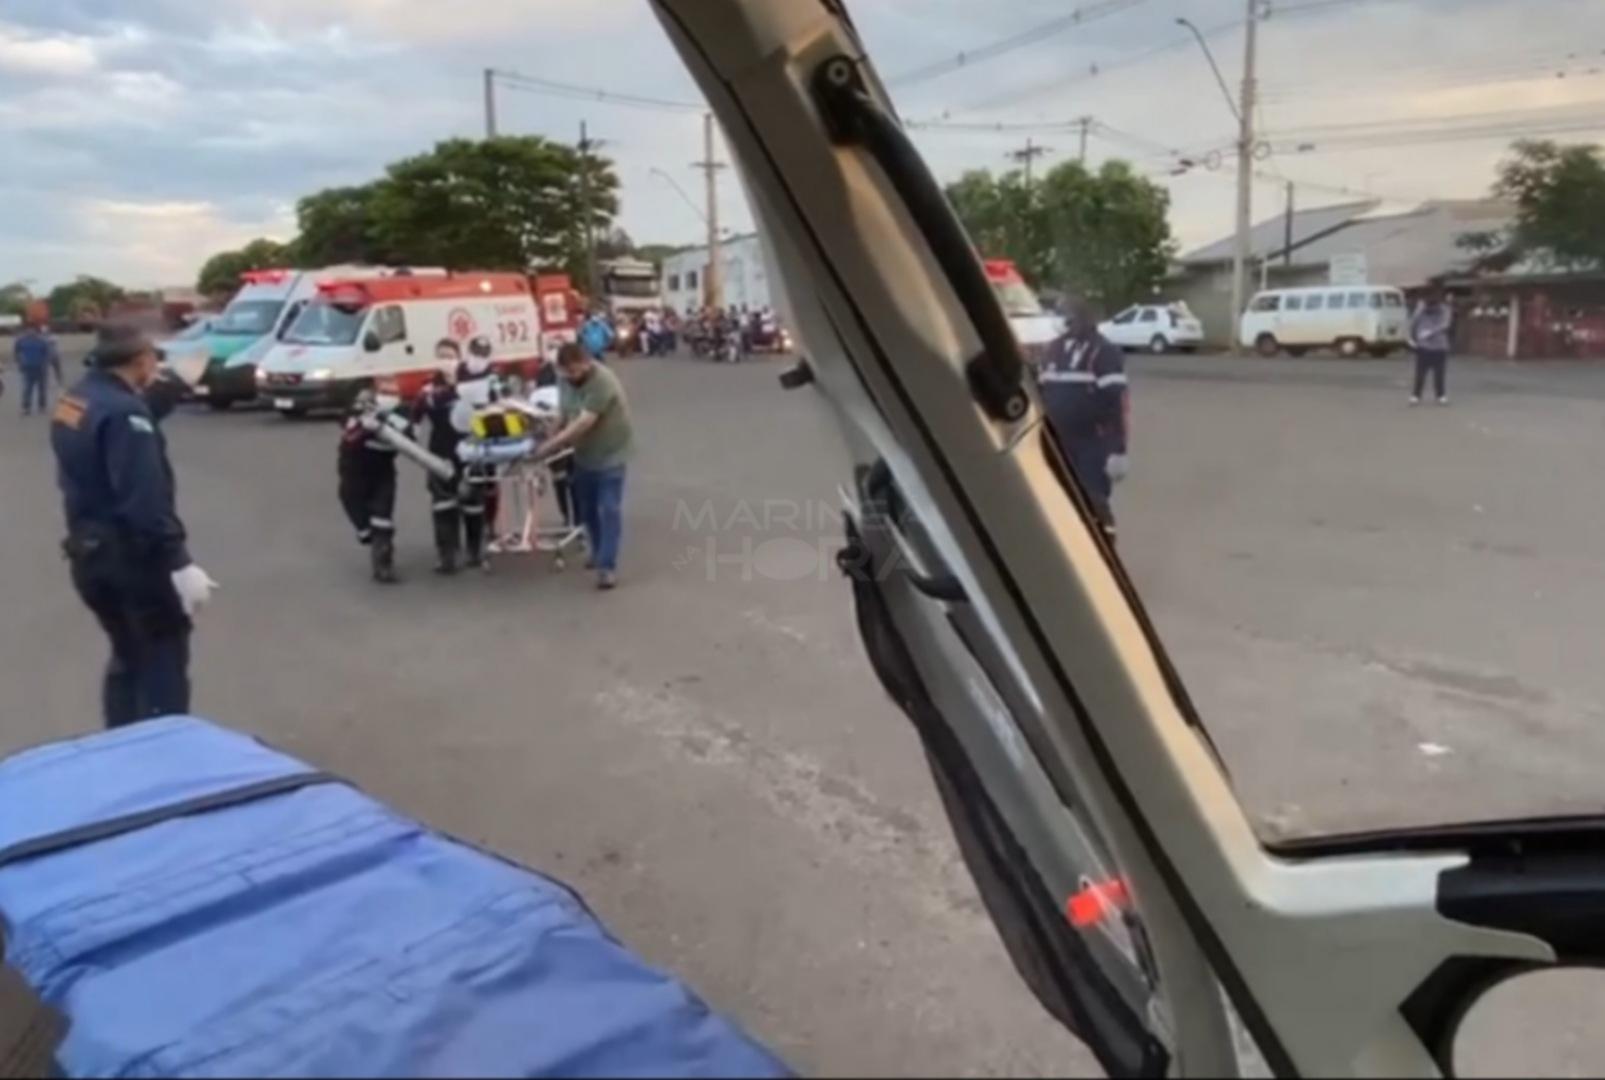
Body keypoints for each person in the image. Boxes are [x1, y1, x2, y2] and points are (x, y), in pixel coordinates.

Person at [51, 323, 217, 728]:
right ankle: (164, 759)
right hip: (132, 560)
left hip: (89, 556)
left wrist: (172, 387)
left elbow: (118, 424)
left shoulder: (76, 400)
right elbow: (143, 500)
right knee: (162, 658)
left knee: (127, 655)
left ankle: (122, 748)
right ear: (142, 360)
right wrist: (179, 562)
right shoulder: (125, 414)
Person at [537, 343, 636, 590]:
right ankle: (598, 550)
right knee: (588, 509)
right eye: (567, 372)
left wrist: (552, 446)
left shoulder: (603, 381)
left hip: (611, 451)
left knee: (608, 509)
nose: (572, 377)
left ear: (586, 363)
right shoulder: (564, 380)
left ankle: (607, 566)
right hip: (584, 454)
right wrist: (549, 432)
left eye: (575, 371)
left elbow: (584, 422)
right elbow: (563, 411)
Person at [1037, 297, 1129, 543]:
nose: (1066, 322)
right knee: (1058, 501)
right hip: (1058, 441)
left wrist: (1117, 449)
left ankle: (1103, 551)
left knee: (1094, 502)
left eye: (1070, 316)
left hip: (1092, 442)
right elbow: (1041, 394)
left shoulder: (1104, 351)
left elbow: (1116, 404)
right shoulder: (1053, 349)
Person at [338, 388, 410, 584]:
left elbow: (410, 433)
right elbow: (348, 433)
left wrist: (386, 418)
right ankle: (367, 535)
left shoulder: (399, 413)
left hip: (382, 473)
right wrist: (364, 421)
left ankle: (383, 564)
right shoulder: (355, 412)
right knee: (358, 514)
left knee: (382, 519)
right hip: (353, 474)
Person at [412, 341, 469, 574]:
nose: (446, 360)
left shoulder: (470, 381)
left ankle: (475, 548)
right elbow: (417, 414)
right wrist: (412, 430)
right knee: (442, 502)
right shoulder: (428, 388)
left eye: (450, 355)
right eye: (441, 356)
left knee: (472, 501)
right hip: (440, 449)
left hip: (467, 448)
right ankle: (447, 554)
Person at [1409, 286, 1454, 406]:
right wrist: (1413, 338)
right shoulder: (1421, 310)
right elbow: (1413, 323)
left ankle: (1441, 395)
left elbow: (1445, 324)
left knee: (1439, 373)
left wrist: (1430, 332)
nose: (1431, 306)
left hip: (1440, 346)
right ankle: (1416, 395)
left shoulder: (1444, 309)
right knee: (1420, 373)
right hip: (1423, 346)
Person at [12, 321, 61, 416]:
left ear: (36, 331)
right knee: (27, 389)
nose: (30, 331)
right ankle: (26, 407)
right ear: (25, 330)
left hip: (41, 369)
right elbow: (16, 351)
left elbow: (47, 353)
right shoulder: (21, 340)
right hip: (27, 368)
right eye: (28, 329)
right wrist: (19, 362)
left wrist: (45, 364)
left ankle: (42, 406)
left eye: (32, 330)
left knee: (42, 388)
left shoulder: (42, 341)